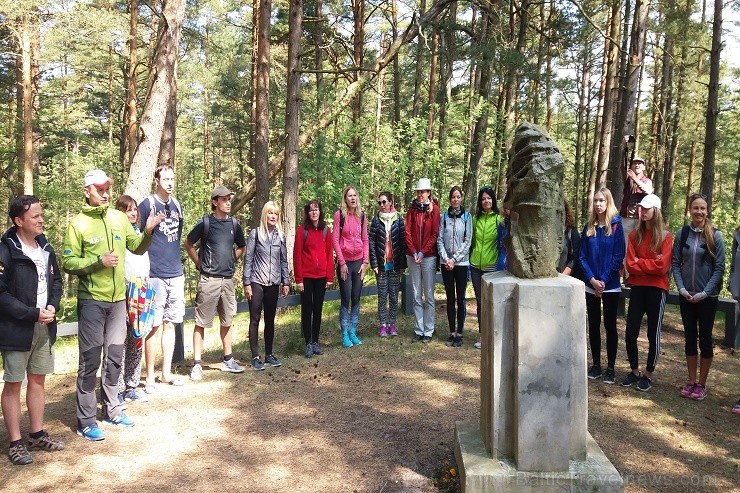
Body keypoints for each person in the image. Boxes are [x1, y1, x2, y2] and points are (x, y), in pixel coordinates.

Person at [63, 169, 163, 441]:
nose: (105, 192)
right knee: (90, 360)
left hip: (119, 300)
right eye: (99, 188)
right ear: (87, 191)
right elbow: (68, 262)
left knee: (115, 357)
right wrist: (98, 263)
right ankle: (85, 420)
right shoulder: (78, 224)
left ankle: (112, 409)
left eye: (107, 188)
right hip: (92, 301)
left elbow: (137, 246)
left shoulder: (119, 218)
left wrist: (149, 231)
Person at [1, 195, 64, 464]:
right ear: (18, 221)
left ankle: (37, 435)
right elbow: (1, 295)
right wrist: (31, 314)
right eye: (35, 216)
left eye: (41, 214)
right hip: (16, 328)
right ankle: (15, 442)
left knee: (38, 380)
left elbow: (57, 281)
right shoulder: (5, 250)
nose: (41, 219)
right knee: (14, 383)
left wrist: (52, 307)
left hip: (44, 326)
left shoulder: (45, 246)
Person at [184, 186, 247, 379]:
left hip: (227, 280)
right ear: (215, 202)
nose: (228, 202)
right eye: (224, 199)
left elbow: (241, 246)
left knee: (227, 320)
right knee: (201, 322)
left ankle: (228, 359)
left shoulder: (234, 224)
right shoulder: (206, 223)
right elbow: (188, 243)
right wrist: (199, 263)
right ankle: (197, 364)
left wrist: (231, 259)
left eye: (229, 199)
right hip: (209, 279)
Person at [672, 193, 726, 401]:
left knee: (705, 339)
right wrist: (682, 289)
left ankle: (702, 384)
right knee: (689, 338)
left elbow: (719, 267)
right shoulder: (682, 233)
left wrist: (705, 292)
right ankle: (691, 381)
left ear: (707, 210)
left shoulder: (715, 235)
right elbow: (676, 263)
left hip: (707, 297)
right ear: (690, 210)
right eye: (695, 208)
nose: (699, 212)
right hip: (687, 296)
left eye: (703, 208)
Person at [138, 164, 186, 391]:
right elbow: (137, 239)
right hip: (154, 273)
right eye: (166, 178)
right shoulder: (147, 204)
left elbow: (177, 237)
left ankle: (166, 373)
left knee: (170, 324)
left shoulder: (177, 205)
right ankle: (149, 377)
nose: (170, 182)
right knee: (154, 326)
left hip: (175, 273)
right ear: (157, 180)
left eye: (172, 178)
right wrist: (148, 229)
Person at [621, 194, 672, 392]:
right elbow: (630, 265)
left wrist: (640, 262)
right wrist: (648, 263)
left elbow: (662, 267)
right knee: (630, 332)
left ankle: (648, 375)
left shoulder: (666, 237)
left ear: (656, 211)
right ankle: (634, 371)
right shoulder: (634, 235)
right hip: (638, 288)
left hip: (658, 289)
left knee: (653, 333)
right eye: (642, 208)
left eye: (647, 209)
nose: (643, 212)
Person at [578, 188, 625, 385]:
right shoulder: (588, 227)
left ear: (608, 203)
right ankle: (596, 364)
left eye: (602, 201)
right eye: (596, 200)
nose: (598, 204)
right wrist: (591, 279)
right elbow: (582, 256)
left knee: (610, 326)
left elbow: (618, 255)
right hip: (591, 285)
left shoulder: (615, 226)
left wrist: (603, 280)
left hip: (610, 285)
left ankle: (611, 368)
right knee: (594, 325)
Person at [114, 195, 156, 404]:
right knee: (120, 339)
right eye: (127, 209)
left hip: (142, 289)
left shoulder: (139, 233)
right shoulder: (117, 235)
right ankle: (118, 388)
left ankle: (132, 383)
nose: (132, 213)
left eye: (134, 210)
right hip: (124, 290)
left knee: (137, 338)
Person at [243, 201, 289, 370]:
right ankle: (255, 357)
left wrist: (286, 281)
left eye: (276, 214)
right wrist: (246, 282)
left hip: (274, 282)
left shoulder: (280, 236)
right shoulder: (256, 234)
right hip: (256, 281)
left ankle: (269, 354)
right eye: (270, 213)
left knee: (270, 320)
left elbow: (283, 260)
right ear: (265, 214)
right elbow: (248, 259)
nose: (273, 216)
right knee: (255, 319)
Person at [293, 200, 334, 358]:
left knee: (318, 310)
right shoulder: (302, 230)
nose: (314, 212)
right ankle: (308, 343)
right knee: (307, 309)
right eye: (311, 210)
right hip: (307, 277)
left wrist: (329, 277)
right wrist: (299, 279)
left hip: (322, 277)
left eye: (316, 210)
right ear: (307, 213)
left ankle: (316, 342)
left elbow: (329, 254)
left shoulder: (326, 231)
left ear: (320, 212)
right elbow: (297, 255)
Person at [332, 185, 369, 347]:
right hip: (345, 263)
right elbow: (335, 240)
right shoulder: (339, 215)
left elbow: (366, 240)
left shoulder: (362, 216)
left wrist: (365, 262)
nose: (353, 198)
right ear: (345, 199)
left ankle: (353, 331)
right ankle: (344, 334)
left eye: (355, 195)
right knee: (345, 298)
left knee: (356, 298)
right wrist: (341, 263)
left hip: (359, 262)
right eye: (349, 196)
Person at [469, 186, 505, 349]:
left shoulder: (498, 219)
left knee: (493, 302)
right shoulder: (475, 219)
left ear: (493, 200)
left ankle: (495, 335)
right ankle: (482, 335)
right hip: (476, 265)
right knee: (480, 302)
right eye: (483, 199)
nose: (486, 201)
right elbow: (472, 240)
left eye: (489, 198)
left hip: (492, 266)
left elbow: (503, 243)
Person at [406, 178, 441, 343]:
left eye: (423, 191)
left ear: (429, 193)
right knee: (416, 294)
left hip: (428, 257)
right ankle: (419, 329)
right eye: (419, 192)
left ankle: (429, 330)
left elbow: (435, 234)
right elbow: (407, 231)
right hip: (413, 257)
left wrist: (423, 251)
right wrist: (414, 252)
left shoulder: (434, 210)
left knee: (429, 295)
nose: (420, 194)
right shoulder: (412, 210)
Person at [437, 186, 472, 347]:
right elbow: (439, 240)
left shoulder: (467, 217)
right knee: (450, 298)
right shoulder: (444, 216)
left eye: (458, 197)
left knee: (461, 298)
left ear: (461, 198)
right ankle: (451, 332)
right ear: (450, 199)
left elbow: (468, 241)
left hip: (462, 263)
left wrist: (455, 259)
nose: (455, 200)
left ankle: (460, 332)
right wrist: (446, 259)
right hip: (446, 264)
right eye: (453, 197)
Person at [368, 192, 407, 338]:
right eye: (380, 203)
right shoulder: (376, 220)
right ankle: (382, 325)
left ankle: (392, 324)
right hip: (381, 265)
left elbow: (403, 242)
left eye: (384, 202)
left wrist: (402, 264)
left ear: (391, 202)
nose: (382, 205)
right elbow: (371, 242)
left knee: (394, 296)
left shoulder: (398, 220)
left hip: (395, 265)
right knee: (382, 296)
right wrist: (374, 263)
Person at [619, 156, 653, 247]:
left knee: (640, 245)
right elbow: (622, 164)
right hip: (627, 218)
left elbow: (648, 191)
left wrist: (635, 180)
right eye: (635, 163)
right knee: (625, 245)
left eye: (639, 163)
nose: (637, 165)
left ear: (644, 167)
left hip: (641, 219)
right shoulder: (627, 179)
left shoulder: (647, 181)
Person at [557, 200, 580, 276]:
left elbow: (575, 258)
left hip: (565, 279)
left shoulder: (571, 231)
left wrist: (563, 276)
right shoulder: (546, 232)